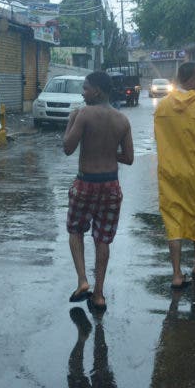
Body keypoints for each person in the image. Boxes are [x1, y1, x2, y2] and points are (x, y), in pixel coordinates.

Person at [63, 71, 134, 314]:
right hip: (111, 185)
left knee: (75, 230)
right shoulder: (122, 120)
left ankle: (83, 280)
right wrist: (107, 152)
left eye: (85, 88)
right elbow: (129, 158)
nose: (83, 93)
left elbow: (67, 148)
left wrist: (72, 121)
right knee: (103, 239)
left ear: (98, 91)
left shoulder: (83, 114)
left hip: (86, 183)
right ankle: (100, 294)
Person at [154, 62, 195, 289]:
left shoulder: (162, 107)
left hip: (170, 171)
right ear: (190, 79)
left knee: (173, 221)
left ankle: (176, 274)